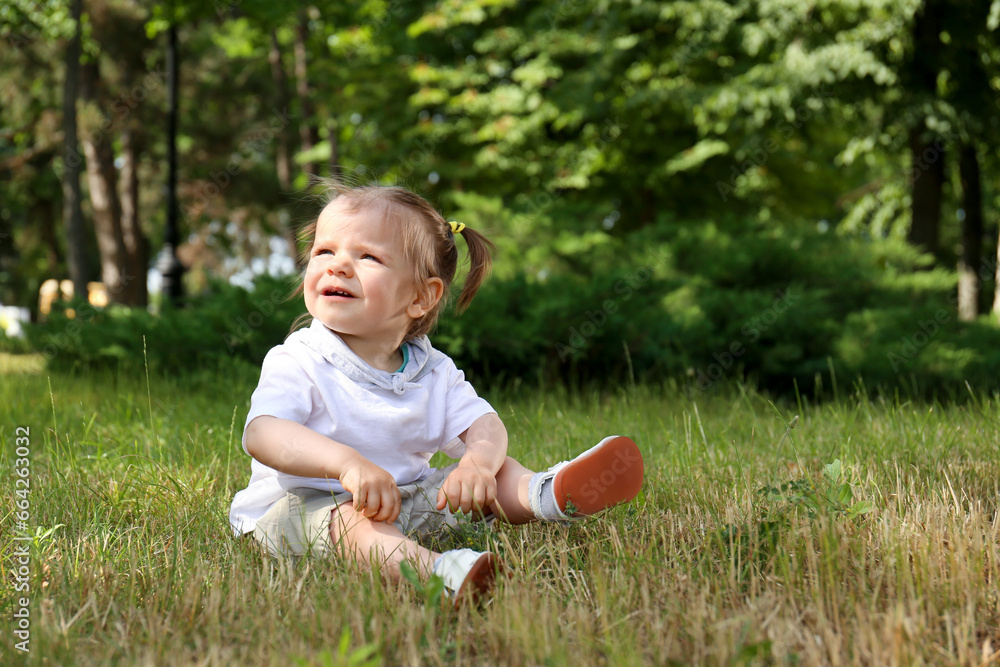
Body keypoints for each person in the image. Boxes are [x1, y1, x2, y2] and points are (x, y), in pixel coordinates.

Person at [229, 182, 644, 605]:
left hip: (403, 501)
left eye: (367, 256)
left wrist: (478, 465)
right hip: (302, 510)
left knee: (489, 472)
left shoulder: (432, 370)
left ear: (421, 297)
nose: (337, 266)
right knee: (350, 521)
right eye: (324, 251)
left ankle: (547, 495)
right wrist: (346, 465)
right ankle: (439, 572)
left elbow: (485, 424)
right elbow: (264, 434)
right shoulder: (300, 357)